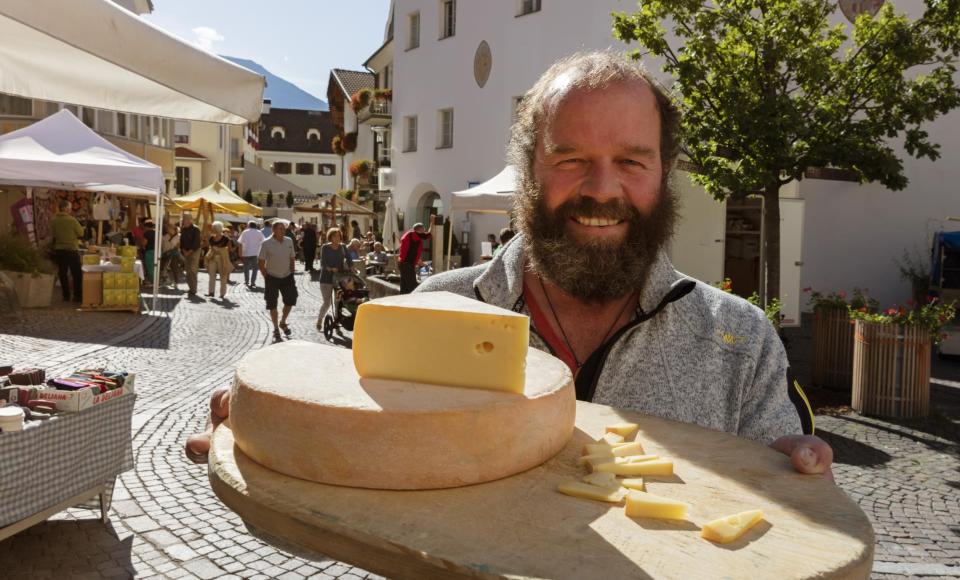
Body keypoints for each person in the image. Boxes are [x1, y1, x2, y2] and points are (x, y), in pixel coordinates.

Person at [185, 52, 833, 478]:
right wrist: (282, 452)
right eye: (571, 158)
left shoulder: (739, 343)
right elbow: (355, 487)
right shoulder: (436, 310)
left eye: (632, 161)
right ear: (528, 172)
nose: (602, 188)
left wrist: (795, 480)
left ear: (664, 177)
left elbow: (777, 523)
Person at [259, 221, 298, 341]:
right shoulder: (266, 243)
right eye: (280, 228)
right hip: (272, 277)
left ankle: (283, 321)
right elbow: (261, 262)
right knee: (272, 304)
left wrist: (292, 271)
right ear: (274, 230)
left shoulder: (289, 241)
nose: (282, 230)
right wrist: (267, 276)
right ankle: (276, 328)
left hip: (287, 276)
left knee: (291, 299)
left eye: (283, 229)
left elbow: (292, 258)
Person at [50, 199, 84, 302]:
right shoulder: (72, 220)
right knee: (76, 273)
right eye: (69, 207)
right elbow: (81, 233)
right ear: (65, 208)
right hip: (71, 249)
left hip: (59, 250)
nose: (70, 209)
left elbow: (53, 234)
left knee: (62, 273)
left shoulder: (53, 220)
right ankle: (77, 296)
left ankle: (66, 295)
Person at [316, 227, 348, 329]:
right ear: (331, 237)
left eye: (338, 236)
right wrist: (329, 268)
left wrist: (352, 267)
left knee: (338, 301)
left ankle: (337, 319)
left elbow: (349, 258)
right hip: (326, 279)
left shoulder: (343, 247)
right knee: (327, 302)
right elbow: (323, 262)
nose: (337, 238)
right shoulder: (325, 247)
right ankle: (320, 319)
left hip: (339, 279)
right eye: (335, 236)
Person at [398, 218, 434, 294]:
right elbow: (428, 235)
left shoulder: (414, 235)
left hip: (406, 263)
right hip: (406, 263)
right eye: (423, 229)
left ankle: (403, 299)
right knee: (411, 284)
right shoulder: (411, 235)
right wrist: (432, 222)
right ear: (419, 229)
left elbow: (427, 235)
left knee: (405, 284)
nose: (424, 230)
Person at [205, 222, 232, 299]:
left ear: (216, 229)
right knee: (211, 275)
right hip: (212, 258)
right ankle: (211, 292)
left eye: (213, 228)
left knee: (223, 275)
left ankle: (222, 293)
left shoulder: (226, 239)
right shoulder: (211, 238)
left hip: (222, 259)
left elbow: (229, 249)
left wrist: (222, 251)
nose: (212, 230)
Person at [179, 214, 202, 297]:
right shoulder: (184, 229)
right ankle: (190, 288)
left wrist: (188, 252)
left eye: (184, 220)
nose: (182, 221)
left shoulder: (196, 229)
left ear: (189, 220)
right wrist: (184, 250)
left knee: (193, 270)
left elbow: (196, 243)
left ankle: (193, 289)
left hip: (194, 251)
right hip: (186, 251)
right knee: (187, 270)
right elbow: (181, 241)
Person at [237, 221, 265, 288]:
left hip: (246, 252)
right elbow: (264, 242)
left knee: (246, 267)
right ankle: (253, 282)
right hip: (256, 253)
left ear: (249, 225)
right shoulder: (259, 232)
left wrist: (240, 252)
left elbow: (240, 242)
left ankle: (246, 281)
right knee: (255, 268)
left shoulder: (245, 232)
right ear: (255, 226)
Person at [159, 223, 181, 288]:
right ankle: (166, 280)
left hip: (174, 254)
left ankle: (176, 282)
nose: (168, 229)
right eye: (167, 228)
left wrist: (172, 249)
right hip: (165, 254)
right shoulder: (165, 236)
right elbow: (161, 245)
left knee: (174, 268)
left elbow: (178, 246)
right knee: (163, 268)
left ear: (174, 229)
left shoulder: (178, 236)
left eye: (169, 228)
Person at [141, 220, 157, 284]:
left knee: (150, 267)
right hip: (156, 251)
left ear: (146, 227)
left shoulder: (146, 233)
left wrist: (142, 244)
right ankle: (156, 280)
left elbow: (144, 243)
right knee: (155, 267)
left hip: (149, 251)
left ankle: (153, 282)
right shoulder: (156, 233)